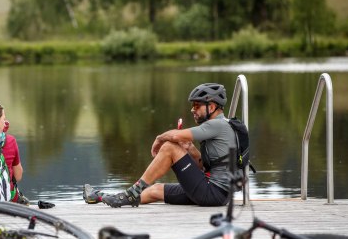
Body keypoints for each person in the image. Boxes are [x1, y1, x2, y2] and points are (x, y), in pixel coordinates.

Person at [84, 83, 238, 208]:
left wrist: (159, 139)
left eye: (197, 106)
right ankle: (101, 197)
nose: (193, 110)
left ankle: (132, 192)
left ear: (211, 107)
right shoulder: (220, 127)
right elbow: (204, 167)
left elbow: (174, 136)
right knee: (155, 190)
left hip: (213, 193)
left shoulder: (218, 125)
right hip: (215, 193)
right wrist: (190, 149)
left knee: (170, 147)